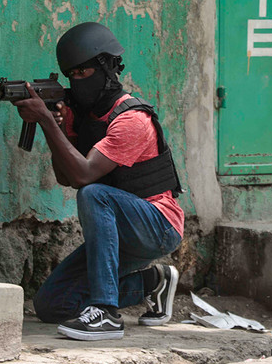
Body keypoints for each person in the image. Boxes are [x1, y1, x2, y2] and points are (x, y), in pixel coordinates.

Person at [14, 21, 184, 341]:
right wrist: (58, 127)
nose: (77, 81)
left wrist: (47, 121)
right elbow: (66, 177)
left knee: (94, 193)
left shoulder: (132, 119)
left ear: (106, 68)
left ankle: (105, 312)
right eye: (71, 75)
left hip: (157, 226)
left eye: (84, 72)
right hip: (120, 231)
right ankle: (152, 282)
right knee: (52, 305)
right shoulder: (84, 117)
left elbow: (84, 177)